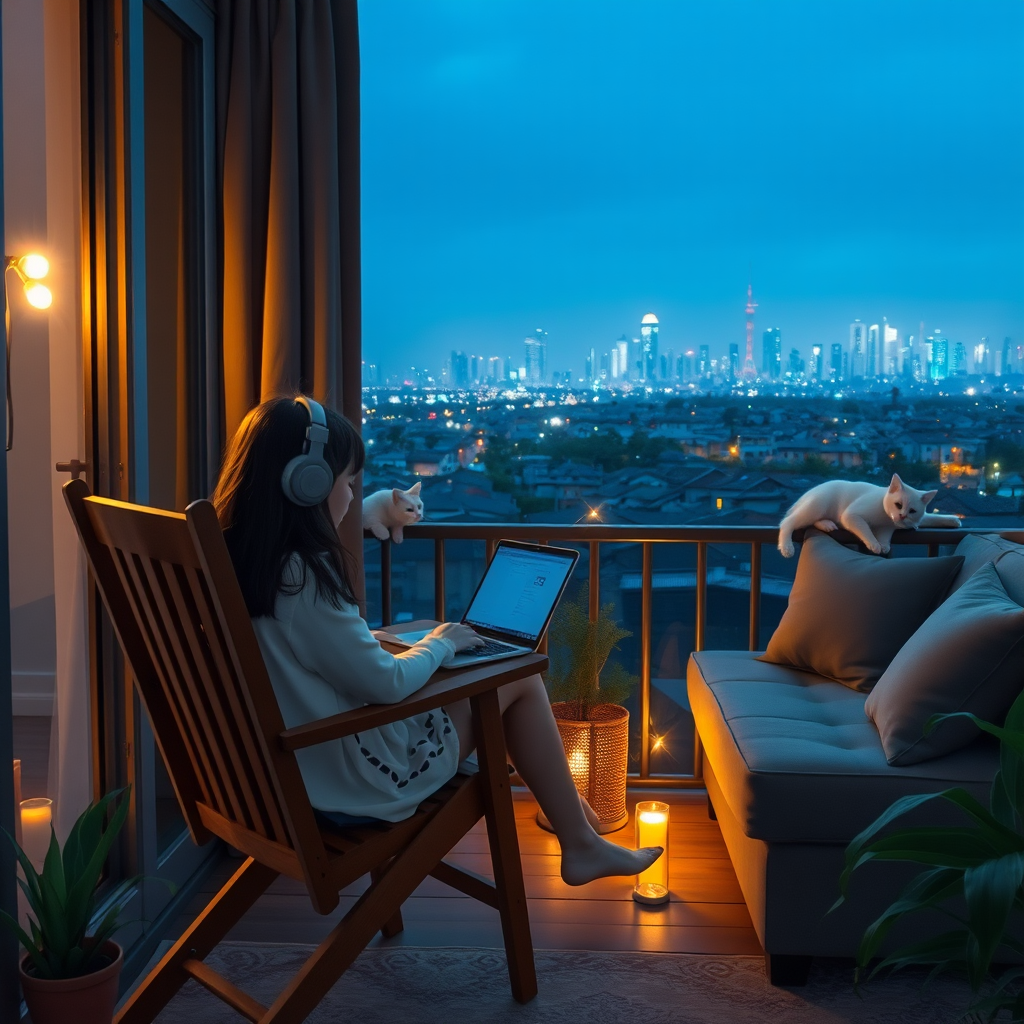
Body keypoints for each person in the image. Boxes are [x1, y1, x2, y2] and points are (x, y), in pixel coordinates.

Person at [212, 395, 663, 886]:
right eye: (347, 481)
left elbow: (304, 653)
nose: (348, 495)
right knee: (516, 676)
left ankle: (579, 825)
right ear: (307, 483)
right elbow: (384, 685)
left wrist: (380, 639)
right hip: (347, 783)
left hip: (268, 777)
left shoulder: (232, 560)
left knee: (490, 673)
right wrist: (442, 643)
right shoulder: (300, 575)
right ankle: (580, 841)